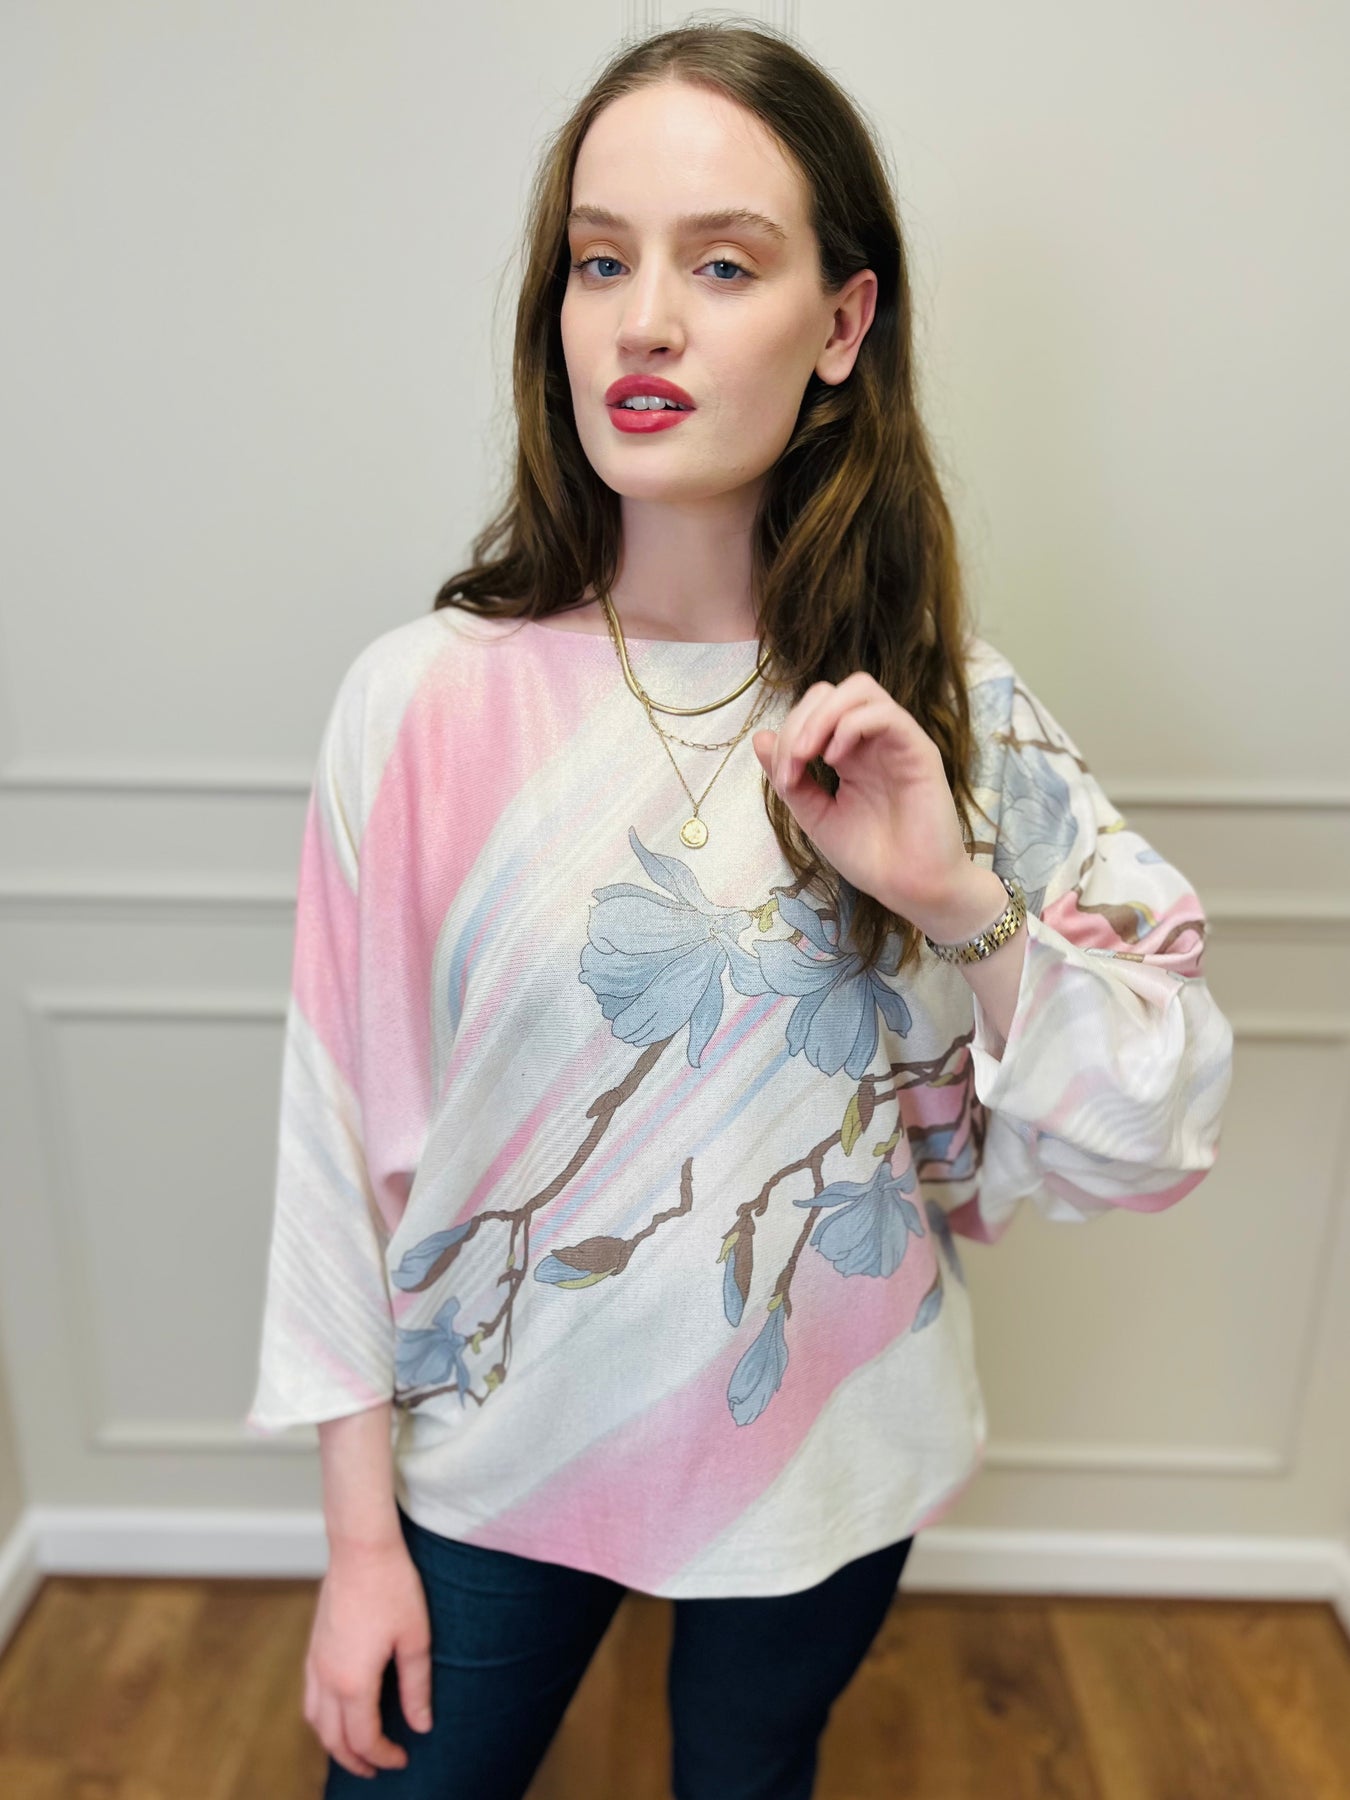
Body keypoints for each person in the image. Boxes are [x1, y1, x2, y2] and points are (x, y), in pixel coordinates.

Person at [244, 21, 1235, 1798]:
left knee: (750, 1776)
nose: (643, 322)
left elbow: (1153, 1124)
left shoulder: (947, 714)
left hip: (826, 1460)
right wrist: (359, 1539)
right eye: (599, 262)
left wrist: (953, 901)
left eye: (720, 264)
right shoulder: (422, 703)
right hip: (489, 1462)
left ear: (841, 325)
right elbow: (339, 1142)